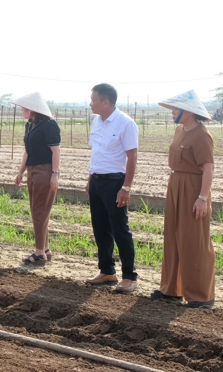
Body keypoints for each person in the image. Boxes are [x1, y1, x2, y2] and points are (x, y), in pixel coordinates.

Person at [152, 90, 216, 308]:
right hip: (176, 186)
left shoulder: (202, 135)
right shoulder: (180, 130)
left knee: (194, 240)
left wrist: (202, 198)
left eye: (177, 109)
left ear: (189, 111)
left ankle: (200, 294)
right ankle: (172, 288)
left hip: (193, 189)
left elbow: (208, 169)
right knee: (173, 235)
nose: (173, 112)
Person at [86, 83, 139, 294]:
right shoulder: (96, 122)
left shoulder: (125, 124)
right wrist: (90, 178)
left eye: (94, 100)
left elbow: (132, 157)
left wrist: (126, 187)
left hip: (115, 182)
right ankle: (107, 271)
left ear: (105, 102)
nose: (91, 104)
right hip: (97, 181)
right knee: (100, 227)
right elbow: (96, 152)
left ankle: (129, 276)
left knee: (120, 229)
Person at [13, 92, 61, 265]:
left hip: (45, 170)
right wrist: (21, 172)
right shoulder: (30, 125)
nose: (22, 111)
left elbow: (55, 151)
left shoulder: (50, 125)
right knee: (37, 211)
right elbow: (27, 151)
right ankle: (45, 248)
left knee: (40, 211)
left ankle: (39, 252)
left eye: (24, 108)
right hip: (32, 170)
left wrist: (55, 175)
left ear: (33, 109)